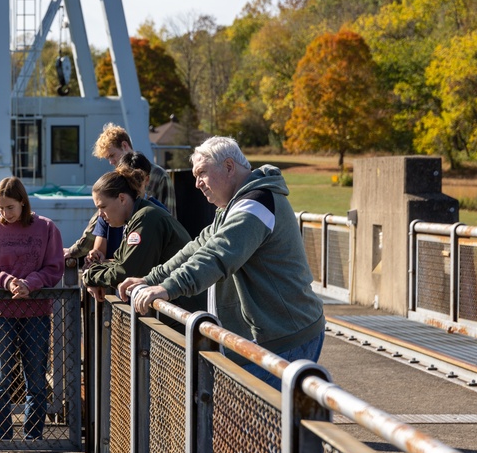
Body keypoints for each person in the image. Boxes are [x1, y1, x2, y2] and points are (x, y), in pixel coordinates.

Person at [118, 137, 325, 390]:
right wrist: (151, 279)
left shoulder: (255, 205)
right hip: (270, 335)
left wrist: (168, 288)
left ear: (228, 167)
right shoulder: (234, 207)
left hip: (285, 337)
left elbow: (218, 254)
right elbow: (197, 247)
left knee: (256, 426)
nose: (197, 184)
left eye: (202, 173)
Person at [0, 177, 64, 453]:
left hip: (35, 311)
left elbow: (55, 267)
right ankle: (2, 440)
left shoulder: (46, 228)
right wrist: (9, 281)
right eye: (0, 208)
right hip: (1, 312)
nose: (5, 214)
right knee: (1, 377)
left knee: (35, 379)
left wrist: (31, 283)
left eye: (10, 208)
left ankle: (33, 439)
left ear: (23, 202)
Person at [82, 164, 202, 312]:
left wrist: (89, 276)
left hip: (182, 312)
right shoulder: (137, 217)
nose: (100, 215)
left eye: (103, 207)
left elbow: (127, 271)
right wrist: (95, 272)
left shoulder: (146, 218)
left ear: (121, 199)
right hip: (176, 308)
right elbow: (119, 263)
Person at [64, 124, 174, 261]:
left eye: (112, 155)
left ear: (125, 145)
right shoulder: (117, 179)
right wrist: (77, 250)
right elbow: (100, 219)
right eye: (107, 158)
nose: (111, 162)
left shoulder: (159, 176)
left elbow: (169, 220)